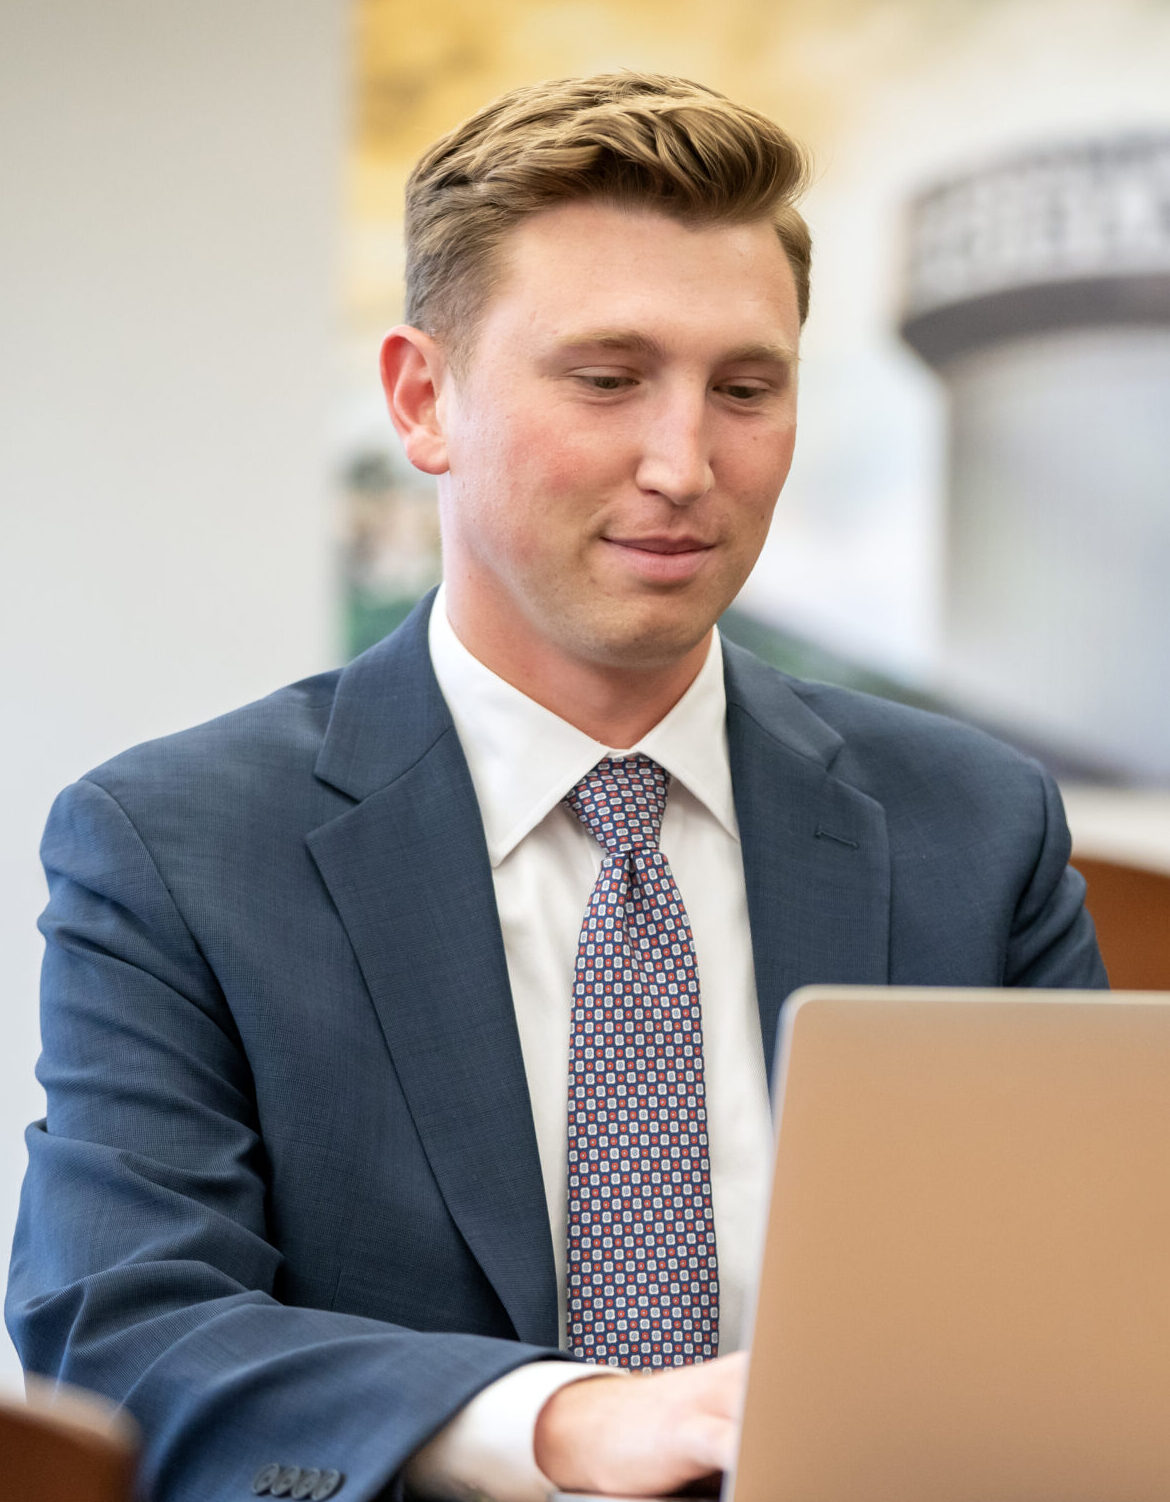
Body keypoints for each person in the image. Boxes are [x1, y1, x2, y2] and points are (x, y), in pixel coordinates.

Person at [7, 72, 1106, 1502]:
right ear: (422, 397)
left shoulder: (976, 822)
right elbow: (126, 1333)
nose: (683, 464)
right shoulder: (175, 847)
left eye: (745, 388)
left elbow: (1086, 1311)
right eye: (605, 378)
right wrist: (578, 1421)